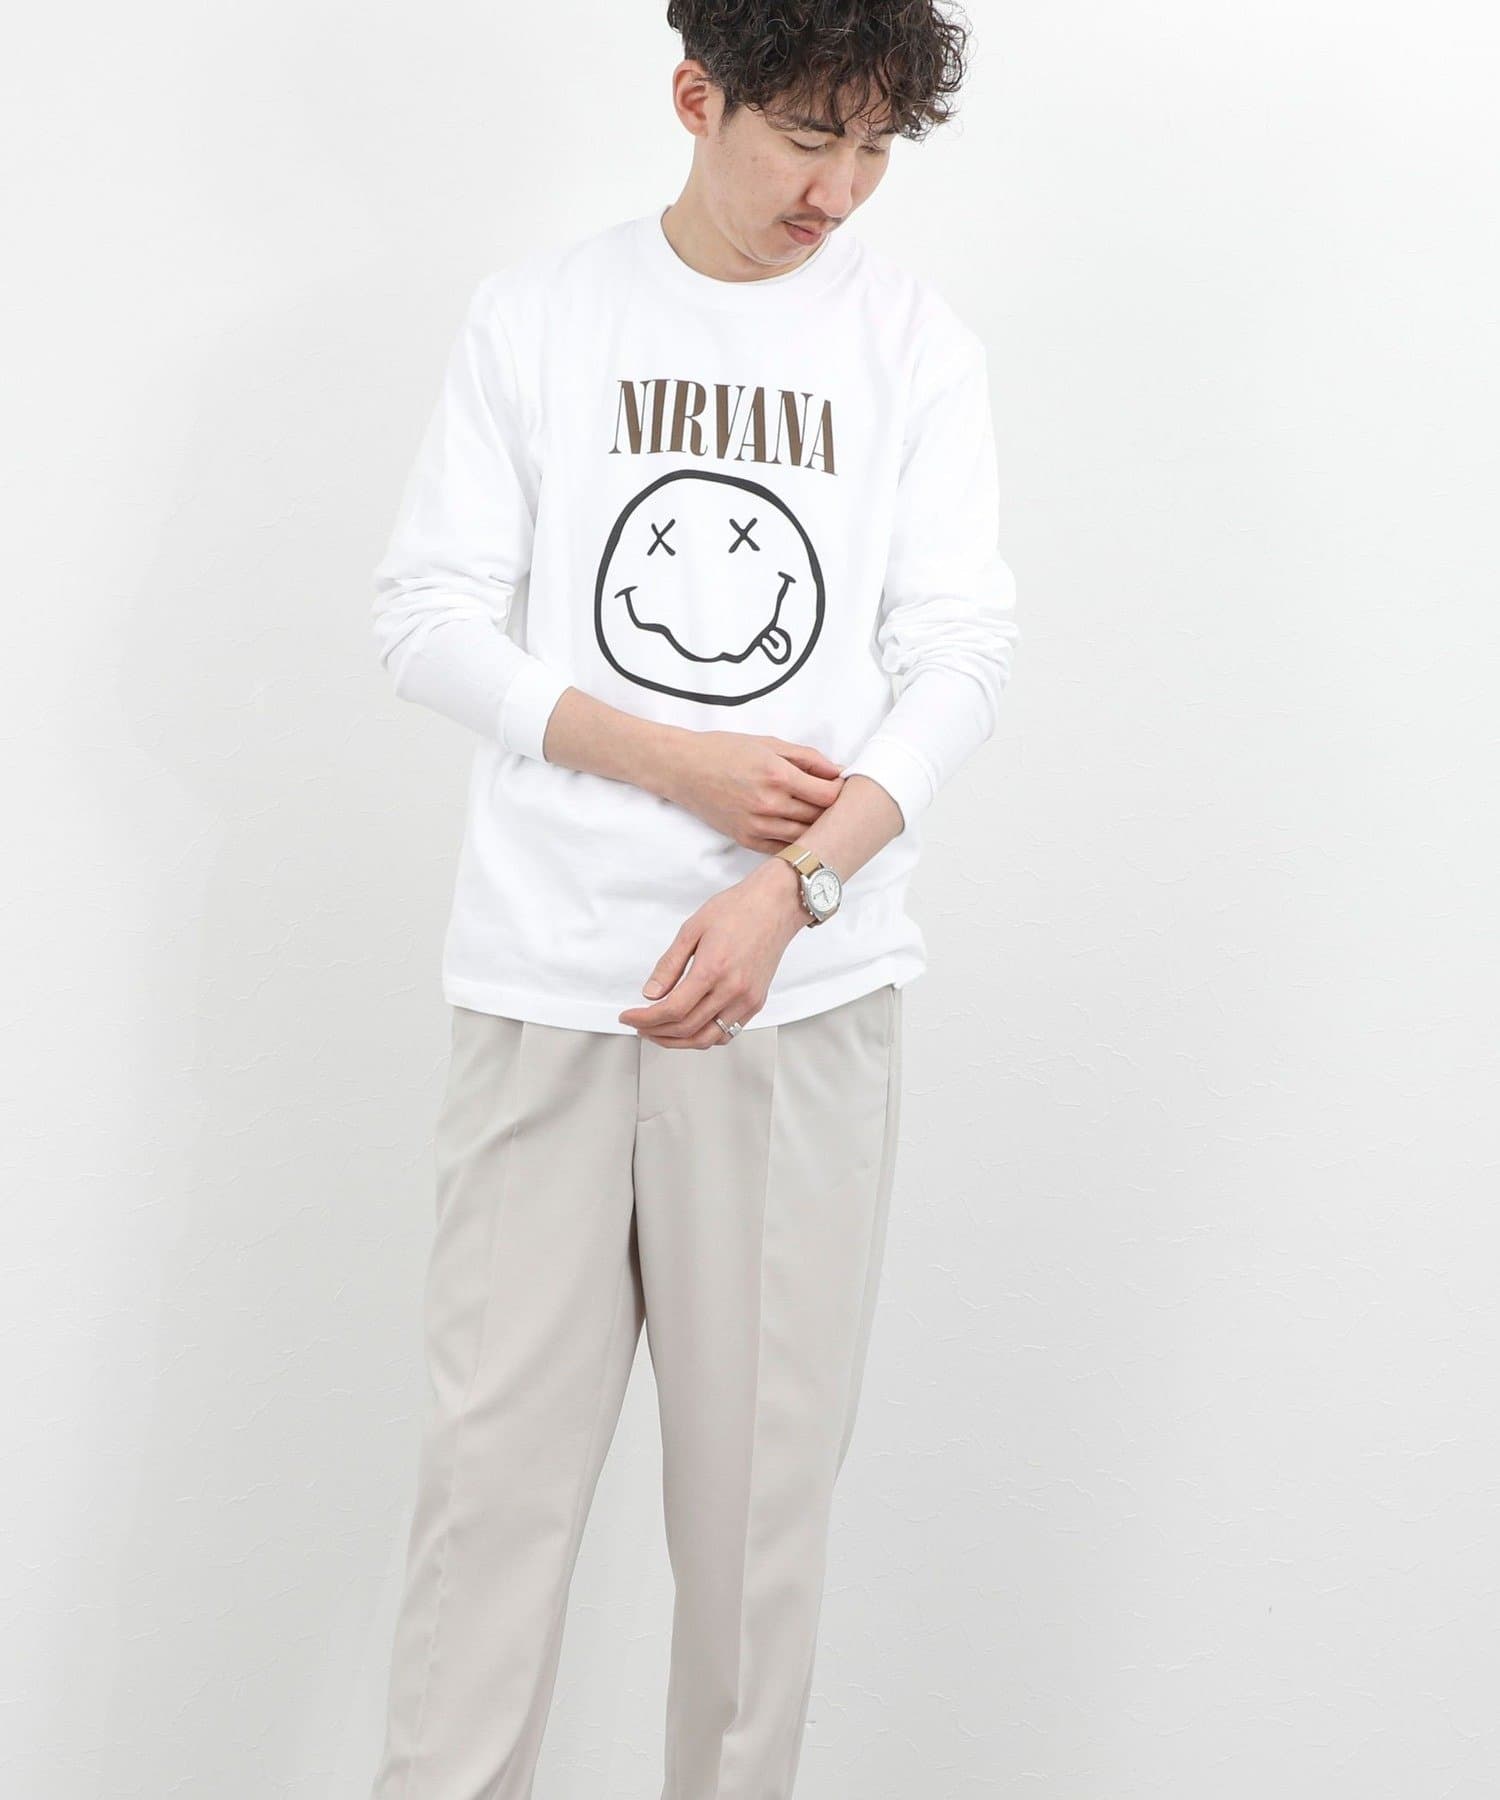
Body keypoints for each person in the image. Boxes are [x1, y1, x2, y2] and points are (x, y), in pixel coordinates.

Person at [366, 3, 1020, 1793]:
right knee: (488, 1506)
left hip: (797, 1006)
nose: (842, 191)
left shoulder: (913, 345)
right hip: (550, 983)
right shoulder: (541, 318)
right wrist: (677, 764)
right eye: (806, 139)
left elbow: (961, 658)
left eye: (874, 149)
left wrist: (791, 888)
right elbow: (425, 619)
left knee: (755, 1532)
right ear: (694, 97)